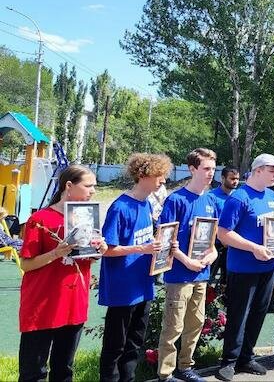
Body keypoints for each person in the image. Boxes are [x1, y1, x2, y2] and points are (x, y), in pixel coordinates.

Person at [18, 166, 108, 382]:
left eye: (94, 186)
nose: (93, 190)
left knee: (64, 369)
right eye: (88, 185)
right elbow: (26, 264)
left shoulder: (87, 218)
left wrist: (98, 251)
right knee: (34, 372)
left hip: (73, 303)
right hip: (43, 304)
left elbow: (85, 258)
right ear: (68, 186)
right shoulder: (40, 219)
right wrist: (55, 253)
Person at [215, 154, 274, 381]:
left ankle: (246, 357)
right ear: (257, 170)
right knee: (238, 315)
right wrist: (253, 248)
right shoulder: (239, 198)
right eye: (272, 170)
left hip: (268, 267)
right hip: (243, 268)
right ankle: (229, 361)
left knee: (259, 313)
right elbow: (223, 233)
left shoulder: (272, 197)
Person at [99, 153, 172, 382]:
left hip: (143, 284)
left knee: (134, 344)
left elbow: (146, 240)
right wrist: (142, 249)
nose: (162, 181)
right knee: (115, 346)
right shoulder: (120, 206)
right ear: (143, 175)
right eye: (159, 175)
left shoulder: (147, 204)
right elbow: (108, 249)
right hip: (123, 287)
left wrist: (164, 245)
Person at [156, 148, 220, 382]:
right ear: (192, 169)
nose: (210, 173)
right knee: (173, 327)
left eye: (213, 169)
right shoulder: (176, 200)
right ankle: (165, 373)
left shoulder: (212, 200)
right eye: (205, 168)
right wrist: (187, 261)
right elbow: (166, 240)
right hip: (180, 276)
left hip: (201, 274)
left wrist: (211, 255)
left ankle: (186, 366)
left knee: (195, 324)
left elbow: (213, 239)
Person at [208, 166, 239, 285]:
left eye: (237, 178)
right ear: (222, 178)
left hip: (233, 246)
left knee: (228, 282)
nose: (235, 181)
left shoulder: (238, 197)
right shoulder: (212, 197)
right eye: (232, 178)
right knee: (209, 281)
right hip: (216, 245)